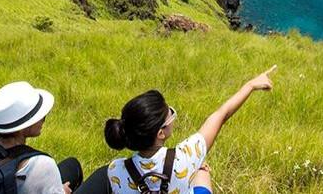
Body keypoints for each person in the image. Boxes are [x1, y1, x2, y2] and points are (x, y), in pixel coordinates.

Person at [102, 66, 278, 194]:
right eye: (168, 113)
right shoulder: (186, 155)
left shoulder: (115, 170)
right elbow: (222, 115)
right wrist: (250, 85)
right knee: (201, 171)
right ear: (160, 133)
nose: (172, 113)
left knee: (198, 167)